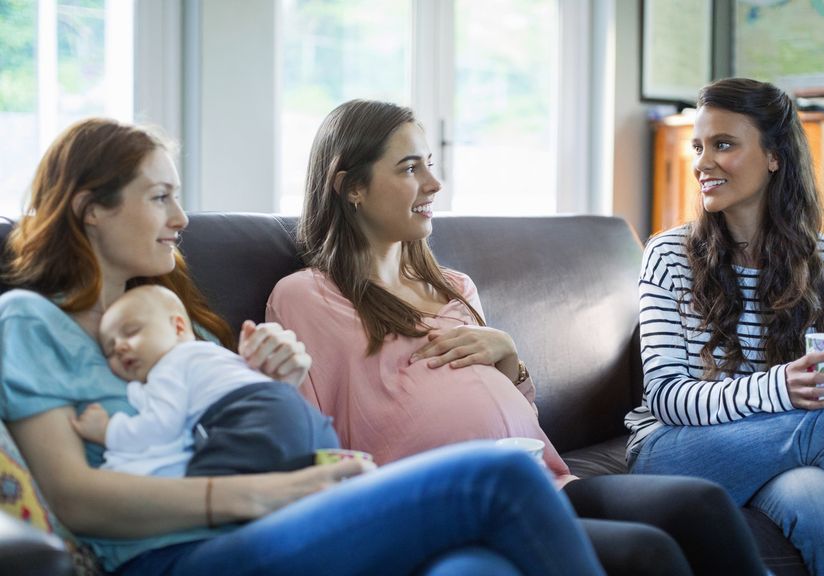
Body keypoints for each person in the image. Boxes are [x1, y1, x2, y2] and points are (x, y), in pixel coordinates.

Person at [0, 117, 608, 576]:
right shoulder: (30, 320)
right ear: (91, 210)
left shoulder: (174, 318)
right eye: (160, 197)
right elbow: (77, 499)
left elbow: (230, 437)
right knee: (496, 474)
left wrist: (272, 389)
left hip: (255, 520)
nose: (181, 218)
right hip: (171, 553)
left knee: (478, 569)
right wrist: (267, 493)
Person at [266, 98, 766, 576]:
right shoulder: (307, 298)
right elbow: (308, 445)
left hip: (546, 479)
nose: (433, 184)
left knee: (701, 503)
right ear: (350, 187)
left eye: (430, 164)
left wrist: (510, 360)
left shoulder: (454, 286)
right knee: (646, 554)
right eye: (410, 168)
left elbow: (520, 416)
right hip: (455, 507)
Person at [624, 77, 824, 575]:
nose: (702, 163)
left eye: (724, 144)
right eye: (699, 146)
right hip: (673, 450)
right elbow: (666, 396)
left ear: (774, 155)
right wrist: (783, 388)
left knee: (819, 502)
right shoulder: (669, 256)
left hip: (789, 455)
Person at [69, 284, 340, 477]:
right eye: (110, 349)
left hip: (252, 419)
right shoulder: (209, 354)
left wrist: (108, 431)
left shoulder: (170, 365)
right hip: (307, 419)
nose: (121, 348)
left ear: (177, 327)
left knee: (205, 482)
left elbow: (161, 426)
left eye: (131, 332)